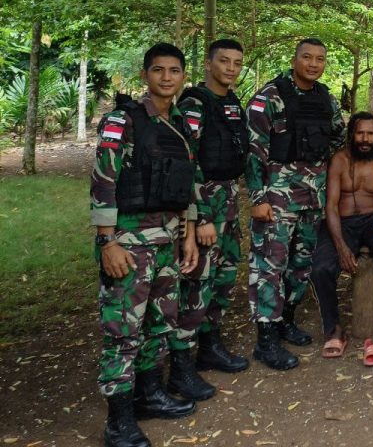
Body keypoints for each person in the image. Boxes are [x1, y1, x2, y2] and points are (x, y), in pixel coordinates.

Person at [91, 42, 200, 447]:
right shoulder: (124, 120)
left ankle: (150, 394)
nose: (167, 77)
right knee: (123, 331)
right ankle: (118, 419)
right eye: (159, 70)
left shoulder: (182, 124)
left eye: (174, 71)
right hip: (128, 241)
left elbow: (186, 181)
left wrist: (188, 234)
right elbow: (103, 180)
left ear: (183, 77)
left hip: (168, 239)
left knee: (159, 322)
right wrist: (107, 242)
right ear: (145, 75)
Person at [245, 38, 346, 370]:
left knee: (301, 266)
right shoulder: (269, 97)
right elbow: (254, 150)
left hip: (312, 198)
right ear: (294, 59)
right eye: (307, 57)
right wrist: (258, 199)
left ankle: (286, 319)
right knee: (269, 267)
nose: (314, 64)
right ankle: (266, 339)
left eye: (320, 59)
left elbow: (339, 138)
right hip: (277, 198)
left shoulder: (325, 98)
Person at [168, 39, 249, 403]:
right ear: (208, 63)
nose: (231, 68)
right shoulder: (192, 104)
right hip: (204, 204)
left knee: (225, 275)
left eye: (236, 63)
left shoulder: (232, 103)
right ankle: (181, 366)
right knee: (198, 281)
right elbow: (187, 161)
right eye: (224, 61)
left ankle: (209, 345)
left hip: (229, 199)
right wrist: (199, 216)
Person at [310, 111, 373, 366]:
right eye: (360, 132)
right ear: (352, 133)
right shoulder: (339, 160)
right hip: (342, 221)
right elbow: (330, 206)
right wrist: (340, 245)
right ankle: (334, 329)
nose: (365, 139)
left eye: (371, 133)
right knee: (321, 268)